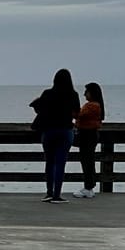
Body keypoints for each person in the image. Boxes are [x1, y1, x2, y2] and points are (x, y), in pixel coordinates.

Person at [28, 69, 79, 203]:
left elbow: (41, 110)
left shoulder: (47, 93)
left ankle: (49, 193)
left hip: (49, 131)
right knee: (60, 163)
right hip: (65, 131)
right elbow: (76, 114)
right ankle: (57, 195)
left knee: (49, 162)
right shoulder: (73, 94)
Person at [73, 82, 105, 198]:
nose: (84, 94)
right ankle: (89, 186)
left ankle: (88, 187)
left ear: (92, 93)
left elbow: (78, 115)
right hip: (89, 135)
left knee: (87, 161)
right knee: (88, 160)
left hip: (87, 135)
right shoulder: (96, 105)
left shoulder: (92, 105)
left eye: (86, 92)